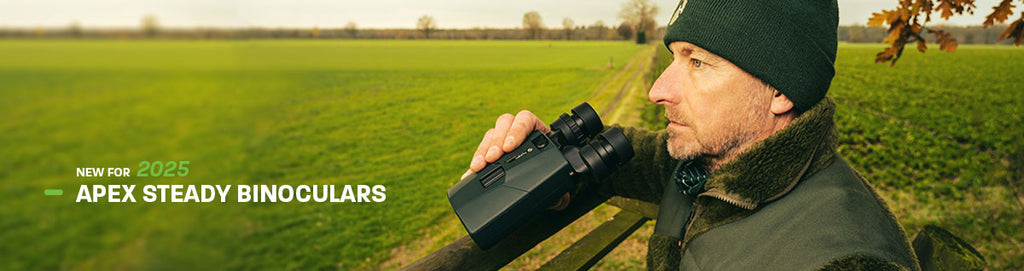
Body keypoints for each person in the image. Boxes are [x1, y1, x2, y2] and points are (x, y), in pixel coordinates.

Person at [464, 0, 921, 270]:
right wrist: (554, 161)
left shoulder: (841, 257)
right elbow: (633, 157)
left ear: (781, 90)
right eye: (674, 58)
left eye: (697, 62)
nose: (657, 90)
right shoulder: (718, 165)